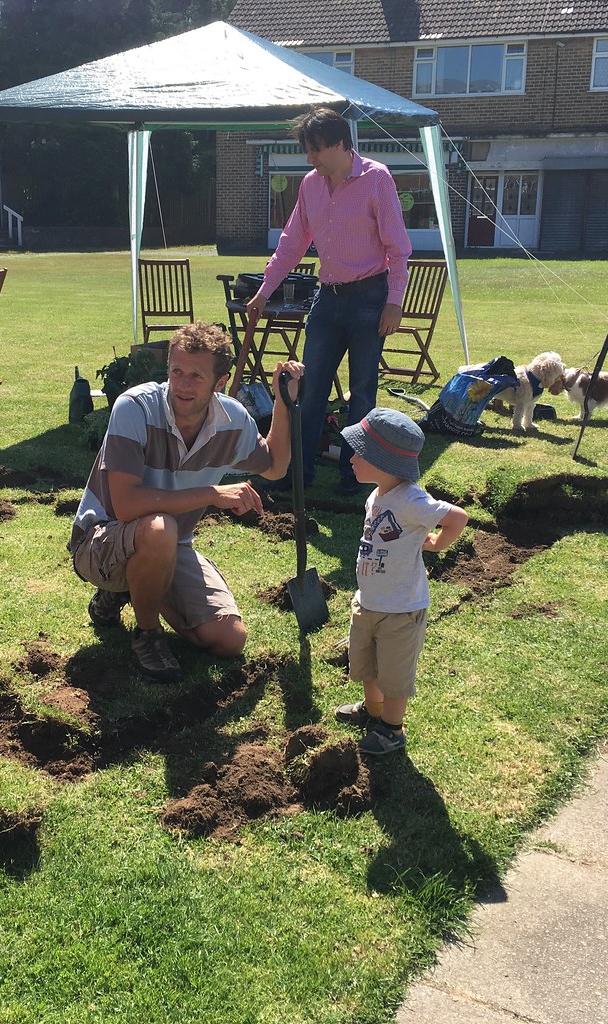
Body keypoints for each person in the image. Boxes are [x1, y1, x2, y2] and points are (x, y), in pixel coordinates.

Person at [70, 322, 303, 683]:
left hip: (168, 544)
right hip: (101, 540)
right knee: (160, 528)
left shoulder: (232, 421)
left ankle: (135, 587)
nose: (182, 384)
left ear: (220, 382)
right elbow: (128, 506)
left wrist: (284, 402)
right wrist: (213, 494)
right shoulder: (135, 408)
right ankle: (147, 635)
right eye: (176, 371)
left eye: (196, 375)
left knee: (229, 639)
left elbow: (274, 465)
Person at [247, 107, 411, 495]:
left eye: (316, 150)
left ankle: (357, 477)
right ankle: (296, 473)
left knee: (363, 392)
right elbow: (291, 244)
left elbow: (398, 248)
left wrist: (394, 301)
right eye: (308, 150)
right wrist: (264, 290)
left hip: (371, 297)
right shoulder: (310, 185)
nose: (310, 158)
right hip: (328, 299)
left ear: (340, 143)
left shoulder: (377, 179)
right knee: (308, 389)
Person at [332, 408, 467, 754]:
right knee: (366, 663)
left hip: (401, 610)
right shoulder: (377, 495)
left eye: (359, 452)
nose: (351, 457)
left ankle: (392, 729)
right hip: (370, 601)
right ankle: (372, 711)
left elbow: (457, 517)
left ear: (383, 461)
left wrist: (437, 543)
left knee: (393, 672)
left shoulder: (411, 499)